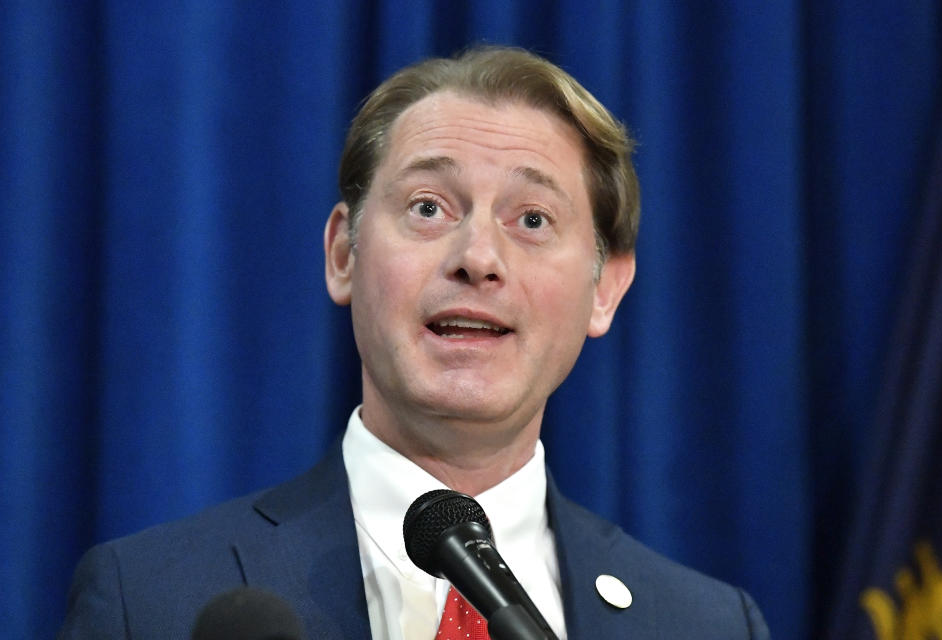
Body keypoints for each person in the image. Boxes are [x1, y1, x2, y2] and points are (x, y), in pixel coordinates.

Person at [58, 46, 770, 639]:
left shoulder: (705, 623)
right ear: (344, 253)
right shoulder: (149, 601)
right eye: (429, 207)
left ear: (605, 288)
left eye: (532, 219)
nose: (477, 257)